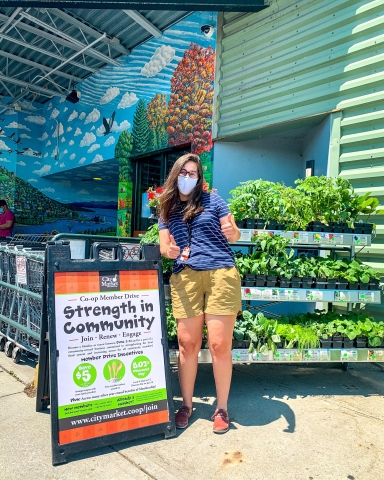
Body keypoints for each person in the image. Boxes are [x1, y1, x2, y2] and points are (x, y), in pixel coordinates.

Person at [159, 153, 241, 434]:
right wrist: (168, 250)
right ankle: (187, 405)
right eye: (184, 172)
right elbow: (164, 245)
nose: (188, 177)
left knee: (219, 345)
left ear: (200, 178)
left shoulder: (213, 201)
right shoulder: (167, 208)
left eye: (193, 173)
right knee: (187, 343)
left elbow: (233, 233)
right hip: (186, 276)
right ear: (176, 174)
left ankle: (222, 408)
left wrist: (233, 230)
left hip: (220, 273)